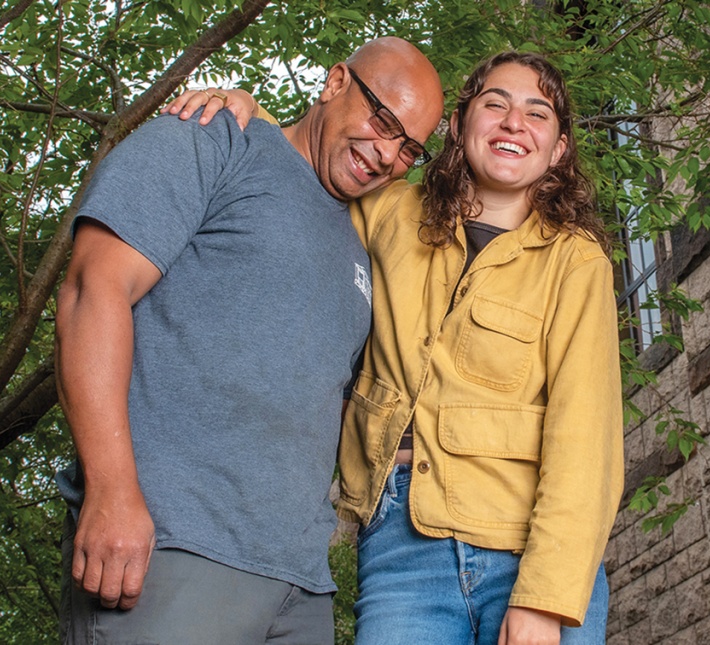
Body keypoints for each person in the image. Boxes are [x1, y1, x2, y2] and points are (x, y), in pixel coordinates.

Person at [166, 50, 623, 644]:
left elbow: (587, 443)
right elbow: (304, 181)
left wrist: (545, 597)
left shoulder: (576, 262)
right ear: (458, 127)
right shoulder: (389, 212)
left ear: (558, 148)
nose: (515, 123)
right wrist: (254, 121)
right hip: (399, 552)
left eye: (538, 114)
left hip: (525, 546)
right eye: (496, 104)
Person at [53, 37, 443, 645]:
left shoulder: (360, 241)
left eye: (409, 146)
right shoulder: (211, 138)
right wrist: (110, 491)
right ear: (335, 82)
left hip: (300, 588)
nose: (387, 153)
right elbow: (89, 292)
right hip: (171, 551)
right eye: (382, 119)